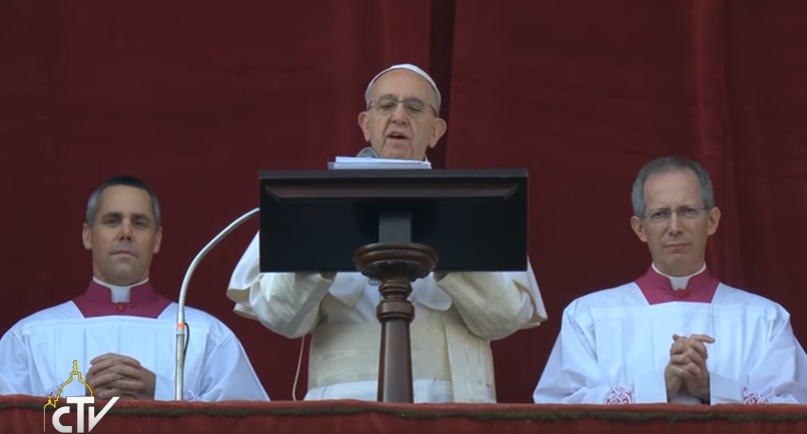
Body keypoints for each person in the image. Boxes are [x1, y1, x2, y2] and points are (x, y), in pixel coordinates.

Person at [226, 63, 547, 403]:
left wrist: (451, 248)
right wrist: (321, 242)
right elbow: (281, 319)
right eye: (386, 105)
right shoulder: (314, 206)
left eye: (415, 108)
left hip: (451, 406)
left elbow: (504, 320)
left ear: (436, 131)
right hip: (341, 409)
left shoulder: (475, 210)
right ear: (366, 124)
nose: (399, 117)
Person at [532, 156, 807, 405]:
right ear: (640, 228)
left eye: (688, 211)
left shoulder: (764, 319)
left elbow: (794, 412)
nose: (675, 227)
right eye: (660, 214)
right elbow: (559, 410)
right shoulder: (589, 317)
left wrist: (712, 388)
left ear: (712, 221)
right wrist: (656, 387)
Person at [0, 175, 269, 402]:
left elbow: (246, 425)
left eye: (139, 223)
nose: (126, 232)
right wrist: (80, 396)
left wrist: (161, 392)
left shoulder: (207, 336)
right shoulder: (29, 337)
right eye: (112, 220)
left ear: (157, 239)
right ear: (87, 235)